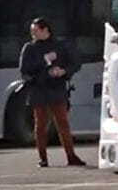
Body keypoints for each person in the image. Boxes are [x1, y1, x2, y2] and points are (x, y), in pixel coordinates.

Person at [18, 17, 86, 168]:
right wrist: (45, 61)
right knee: (40, 124)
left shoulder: (61, 45)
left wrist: (63, 71)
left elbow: (75, 63)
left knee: (63, 123)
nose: (33, 34)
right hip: (38, 89)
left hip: (56, 87)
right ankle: (43, 158)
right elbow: (24, 70)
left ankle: (71, 156)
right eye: (32, 31)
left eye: (35, 31)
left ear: (45, 30)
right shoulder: (29, 48)